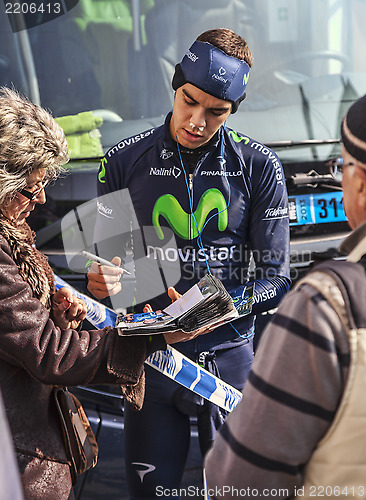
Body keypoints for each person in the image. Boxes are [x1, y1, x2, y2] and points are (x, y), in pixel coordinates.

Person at [87, 28, 290, 497]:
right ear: (175, 86)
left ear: (233, 110)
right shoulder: (121, 162)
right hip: (154, 359)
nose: (197, 120)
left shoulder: (259, 166)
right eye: (188, 101)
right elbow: (106, 273)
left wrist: (213, 308)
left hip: (230, 360)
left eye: (216, 112)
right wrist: (101, 282)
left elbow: (277, 281)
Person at [0, 87, 202, 500]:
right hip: (17, 461)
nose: (39, 200)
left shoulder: (11, 231)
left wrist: (57, 314)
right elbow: (49, 353)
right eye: (28, 188)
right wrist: (152, 334)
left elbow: (23, 335)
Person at [204, 94, 366, 498]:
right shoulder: (130, 158)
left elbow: (240, 482)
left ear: (359, 185)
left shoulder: (327, 306)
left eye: (338, 166)